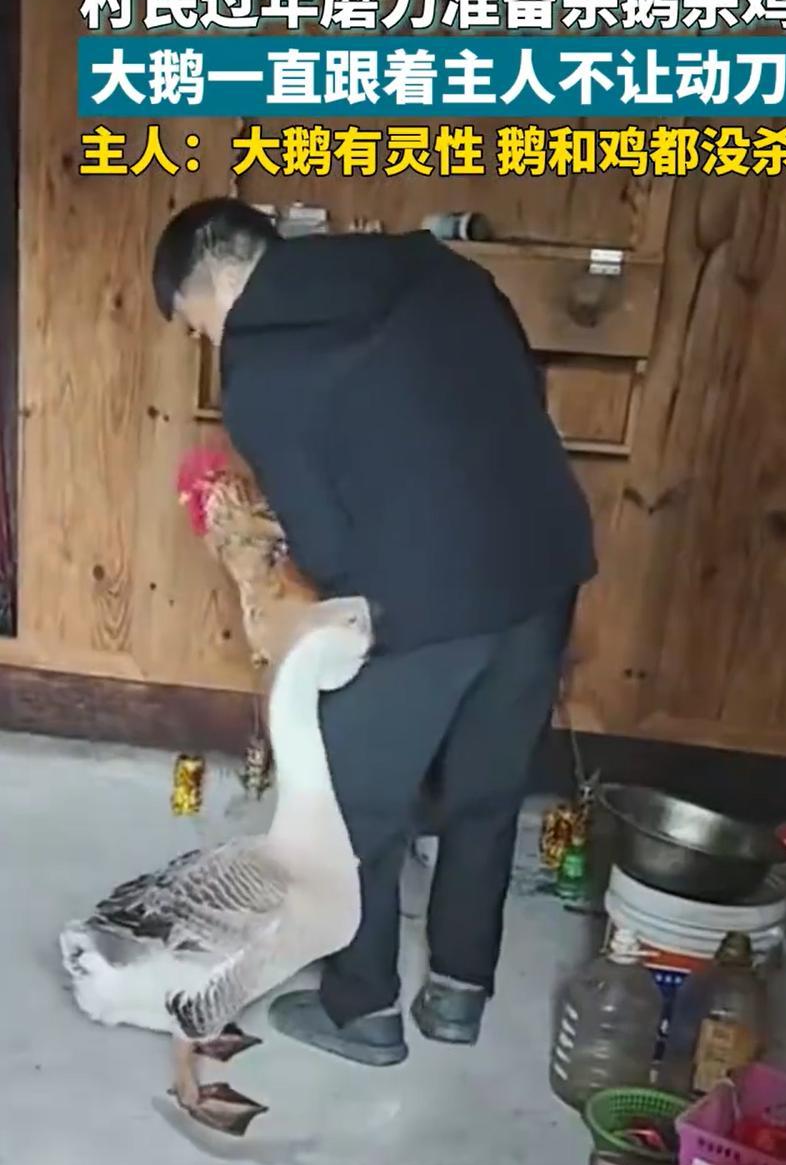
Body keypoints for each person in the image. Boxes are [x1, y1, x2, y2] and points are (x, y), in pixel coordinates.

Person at [151, 198, 596, 1067]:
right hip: (543, 560)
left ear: (215, 279)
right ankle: (460, 991)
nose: (208, 342)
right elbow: (517, 396)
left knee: (354, 805)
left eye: (198, 325)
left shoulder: (262, 370)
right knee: (486, 792)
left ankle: (362, 1009)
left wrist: (300, 599)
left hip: (424, 597)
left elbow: (327, 549)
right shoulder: (434, 268)